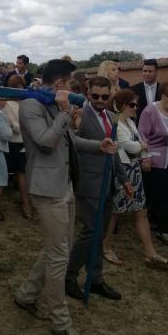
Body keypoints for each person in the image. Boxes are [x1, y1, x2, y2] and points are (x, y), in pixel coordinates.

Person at [13, 60, 118, 335]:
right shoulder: (31, 105)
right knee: (60, 254)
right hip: (46, 189)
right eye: (70, 83)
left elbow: (69, 140)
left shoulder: (58, 107)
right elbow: (46, 142)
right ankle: (61, 321)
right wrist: (63, 113)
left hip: (65, 185)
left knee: (57, 248)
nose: (73, 89)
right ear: (60, 83)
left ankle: (26, 295)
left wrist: (98, 145)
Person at [65, 76, 132, 303]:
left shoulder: (112, 117)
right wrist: (97, 146)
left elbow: (113, 154)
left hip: (109, 182)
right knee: (91, 232)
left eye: (105, 96)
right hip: (88, 182)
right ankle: (69, 277)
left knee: (100, 234)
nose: (100, 100)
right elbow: (72, 141)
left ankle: (95, 279)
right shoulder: (80, 116)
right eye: (95, 96)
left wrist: (124, 179)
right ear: (87, 93)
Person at [102, 90, 168, 268]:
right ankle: (106, 247)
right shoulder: (115, 122)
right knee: (115, 212)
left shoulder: (131, 123)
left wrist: (141, 146)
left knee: (141, 211)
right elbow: (131, 146)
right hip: (122, 171)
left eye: (136, 104)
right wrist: (141, 146)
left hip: (134, 170)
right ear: (122, 105)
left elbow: (138, 144)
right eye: (132, 105)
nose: (136, 108)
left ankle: (151, 253)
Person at [138, 81, 168, 246]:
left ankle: (158, 224)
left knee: (166, 194)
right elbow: (142, 136)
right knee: (158, 196)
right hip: (154, 160)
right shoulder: (150, 111)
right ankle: (163, 230)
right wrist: (145, 158)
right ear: (165, 95)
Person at [2, 74, 33, 219]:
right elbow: (12, 125)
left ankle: (27, 201)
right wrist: (29, 128)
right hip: (15, 142)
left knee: (25, 173)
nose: (20, 90)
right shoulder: (6, 103)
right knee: (21, 173)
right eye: (16, 87)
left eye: (21, 87)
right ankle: (25, 203)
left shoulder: (25, 101)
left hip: (27, 141)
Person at [131, 59, 161, 124]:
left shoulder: (163, 89)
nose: (147, 74)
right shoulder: (133, 89)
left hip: (160, 126)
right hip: (140, 126)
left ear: (156, 72)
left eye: (150, 71)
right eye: (145, 71)